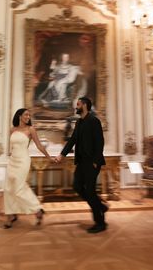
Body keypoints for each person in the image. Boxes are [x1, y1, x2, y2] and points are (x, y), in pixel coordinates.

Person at [55, 97, 108, 233]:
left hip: (92, 163)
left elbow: (100, 142)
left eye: (78, 104)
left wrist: (96, 161)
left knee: (90, 191)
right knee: (77, 186)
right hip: (82, 162)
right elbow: (73, 140)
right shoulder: (79, 122)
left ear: (84, 105)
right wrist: (62, 154)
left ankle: (100, 222)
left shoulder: (94, 121)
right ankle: (100, 206)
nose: (76, 107)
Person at [3, 108, 53, 229]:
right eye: (26, 114)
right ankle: (11, 215)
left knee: (20, 188)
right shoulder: (12, 129)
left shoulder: (31, 129)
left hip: (23, 161)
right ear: (19, 116)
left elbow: (39, 145)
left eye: (29, 115)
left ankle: (37, 209)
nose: (28, 117)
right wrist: (9, 158)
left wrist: (49, 157)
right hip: (12, 161)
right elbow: (12, 147)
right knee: (8, 188)